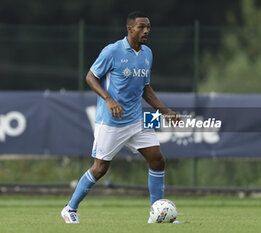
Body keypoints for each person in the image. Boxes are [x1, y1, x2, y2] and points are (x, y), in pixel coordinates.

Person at [61, 11, 179, 224]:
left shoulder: (147, 53)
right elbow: (90, 77)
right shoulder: (112, 51)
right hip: (111, 121)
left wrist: (164, 110)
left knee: (157, 159)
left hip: (136, 120)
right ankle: (70, 209)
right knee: (100, 169)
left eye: (148, 27)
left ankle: (157, 215)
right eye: (142, 27)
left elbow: (145, 87)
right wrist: (108, 99)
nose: (146, 31)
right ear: (130, 28)